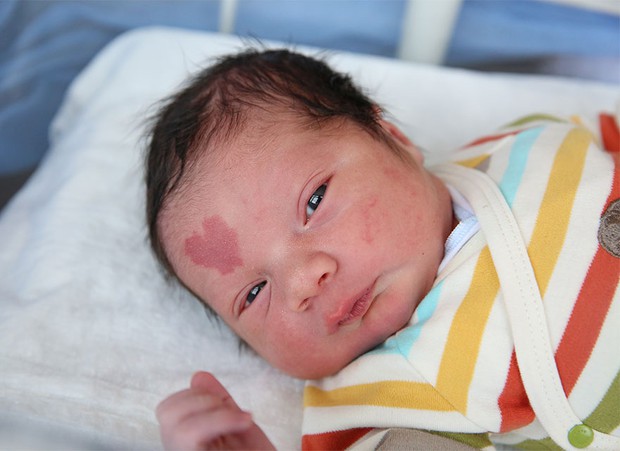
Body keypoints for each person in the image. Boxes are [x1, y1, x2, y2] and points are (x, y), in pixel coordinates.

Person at [145, 48, 620, 450]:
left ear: (394, 137)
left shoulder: (524, 142)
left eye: (314, 201)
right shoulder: (380, 399)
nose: (302, 282)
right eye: (253, 294)